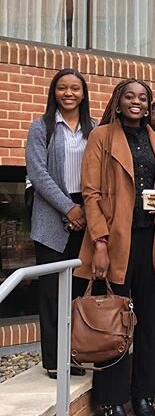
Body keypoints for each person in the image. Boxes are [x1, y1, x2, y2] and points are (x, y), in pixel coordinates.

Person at [76, 79, 155, 416]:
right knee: (114, 323)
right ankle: (111, 398)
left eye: (143, 98)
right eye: (129, 96)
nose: (136, 102)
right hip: (114, 243)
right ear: (118, 102)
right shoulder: (101, 137)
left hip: (152, 241)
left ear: (149, 105)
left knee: (150, 321)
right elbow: (90, 193)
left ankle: (144, 393)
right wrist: (99, 244)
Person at [26, 68, 94, 380]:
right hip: (53, 212)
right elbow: (38, 173)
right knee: (53, 291)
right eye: (62, 88)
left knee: (77, 292)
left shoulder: (93, 129)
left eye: (75, 89)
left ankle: (74, 354)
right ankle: (54, 360)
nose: (68, 94)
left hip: (88, 211)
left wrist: (85, 211)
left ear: (83, 94)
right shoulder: (41, 128)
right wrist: (69, 209)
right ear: (54, 92)